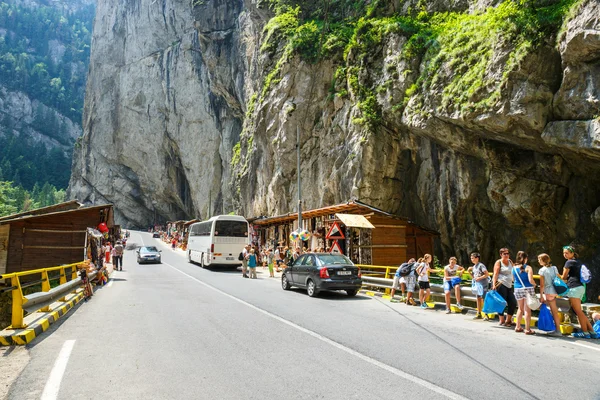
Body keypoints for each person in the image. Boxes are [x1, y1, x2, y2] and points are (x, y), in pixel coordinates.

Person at [561, 246, 596, 338]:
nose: (565, 255)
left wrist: (556, 275)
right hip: (581, 287)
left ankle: (585, 333)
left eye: (567, 253)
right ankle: (592, 332)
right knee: (579, 311)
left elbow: (564, 277)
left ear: (572, 253)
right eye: (564, 253)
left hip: (573, 287)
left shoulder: (568, 262)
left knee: (578, 311)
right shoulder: (579, 262)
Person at [537, 253, 562, 336]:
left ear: (542, 261)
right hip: (555, 290)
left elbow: (542, 285)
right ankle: (557, 329)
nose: (538, 261)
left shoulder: (542, 270)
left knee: (553, 311)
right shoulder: (554, 268)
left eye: (539, 260)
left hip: (548, 291)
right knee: (554, 311)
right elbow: (559, 277)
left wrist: (541, 295)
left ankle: (557, 330)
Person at [512, 251, 536, 335]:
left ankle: (517, 326)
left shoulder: (513, 268)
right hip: (528, 289)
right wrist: (534, 284)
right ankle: (527, 329)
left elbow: (513, 279)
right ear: (525, 259)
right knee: (527, 309)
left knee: (520, 308)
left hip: (517, 289)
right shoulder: (528, 268)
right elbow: (530, 280)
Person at [492, 248, 517, 327]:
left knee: (513, 302)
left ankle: (508, 320)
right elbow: (495, 274)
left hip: (509, 285)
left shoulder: (510, 261)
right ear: (501, 255)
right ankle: (501, 320)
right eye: (504, 254)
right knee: (501, 302)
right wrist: (493, 284)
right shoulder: (498, 262)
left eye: (507, 253)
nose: (506, 255)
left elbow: (514, 271)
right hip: (500, 284)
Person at [467, 253, 489, 320]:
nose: (472, 259)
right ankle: (479, 313)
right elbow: (474, 277)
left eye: (473, 258)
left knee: (484, 299)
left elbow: (486, 274)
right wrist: (469, 272)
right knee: (478, 299)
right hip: (478, 285)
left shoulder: (481, 265)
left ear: (477, 258)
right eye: (471, 258)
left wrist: (479, 278)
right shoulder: (474, 267)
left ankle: (486, 314)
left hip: (483, 285)